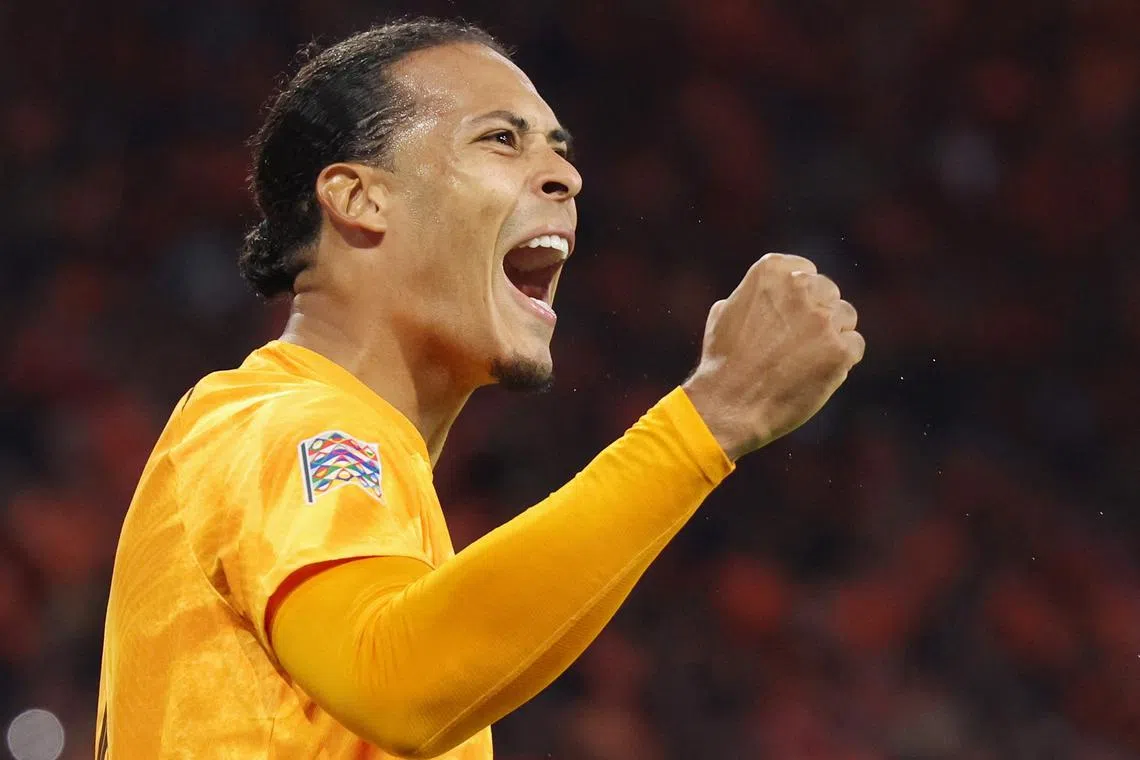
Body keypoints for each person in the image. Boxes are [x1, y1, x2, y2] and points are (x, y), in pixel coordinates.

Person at [95, 17, 864, 759]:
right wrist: (710, 420)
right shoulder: (281, 422)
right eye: (502, 139)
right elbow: (392, 679)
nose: (568, 175)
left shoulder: (363, 474)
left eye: (559, 150)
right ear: (359, 198)